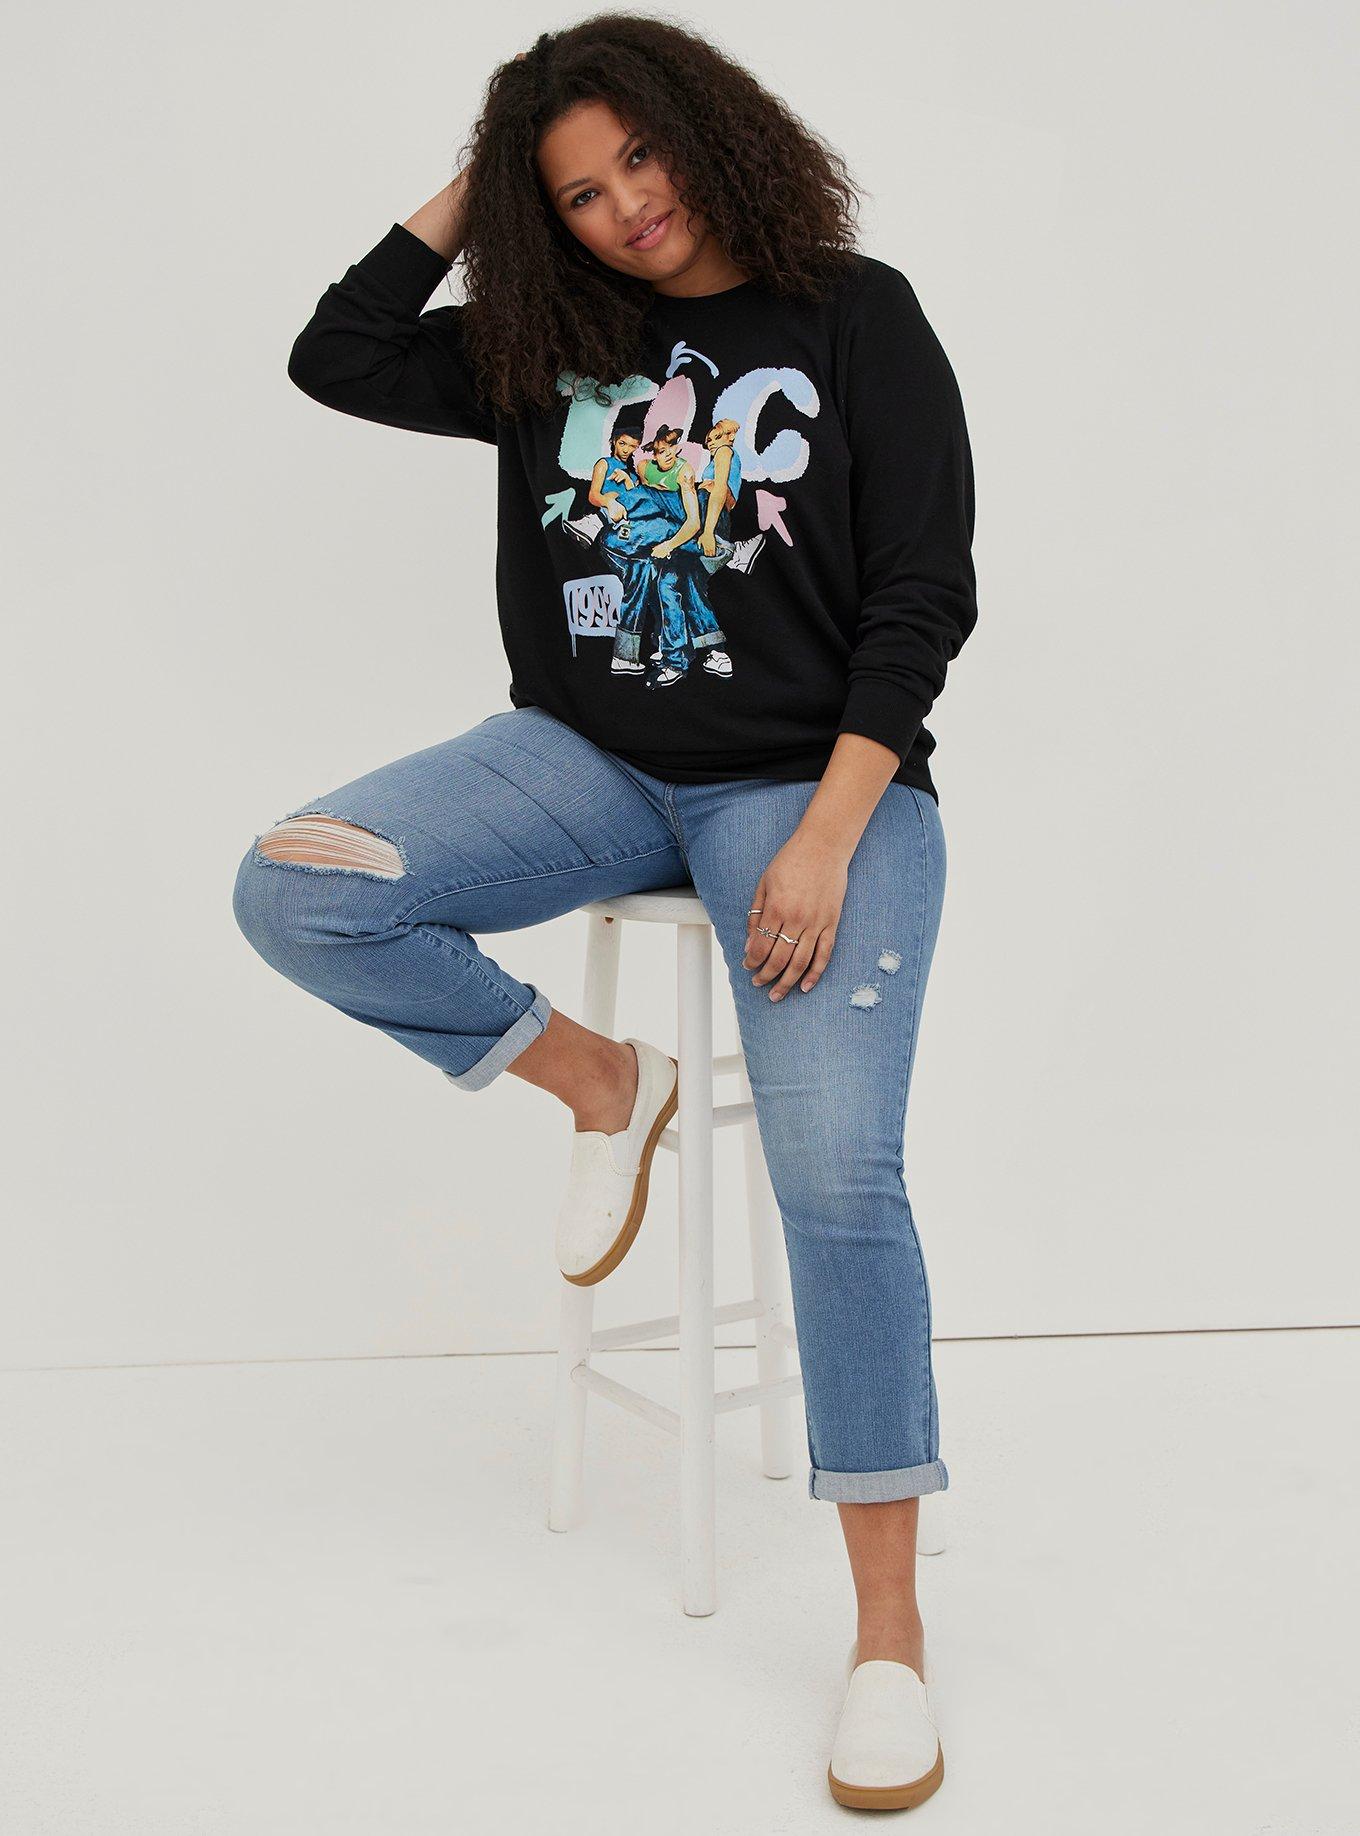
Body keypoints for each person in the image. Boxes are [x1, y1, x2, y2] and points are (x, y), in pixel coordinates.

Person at [233, 13, 977, 1812]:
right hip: (584, 762)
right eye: (574, 190)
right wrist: (482, 188)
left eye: (639, 156)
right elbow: (334, 355)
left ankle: (887, 1637)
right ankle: (599, 1082)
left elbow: (923, 595)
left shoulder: (854, 315)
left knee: (837, 1180)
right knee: (299, 883)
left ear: (710, 133)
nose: (626, 205)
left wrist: (826, 837)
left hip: (811, 786)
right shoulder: (540, 341)